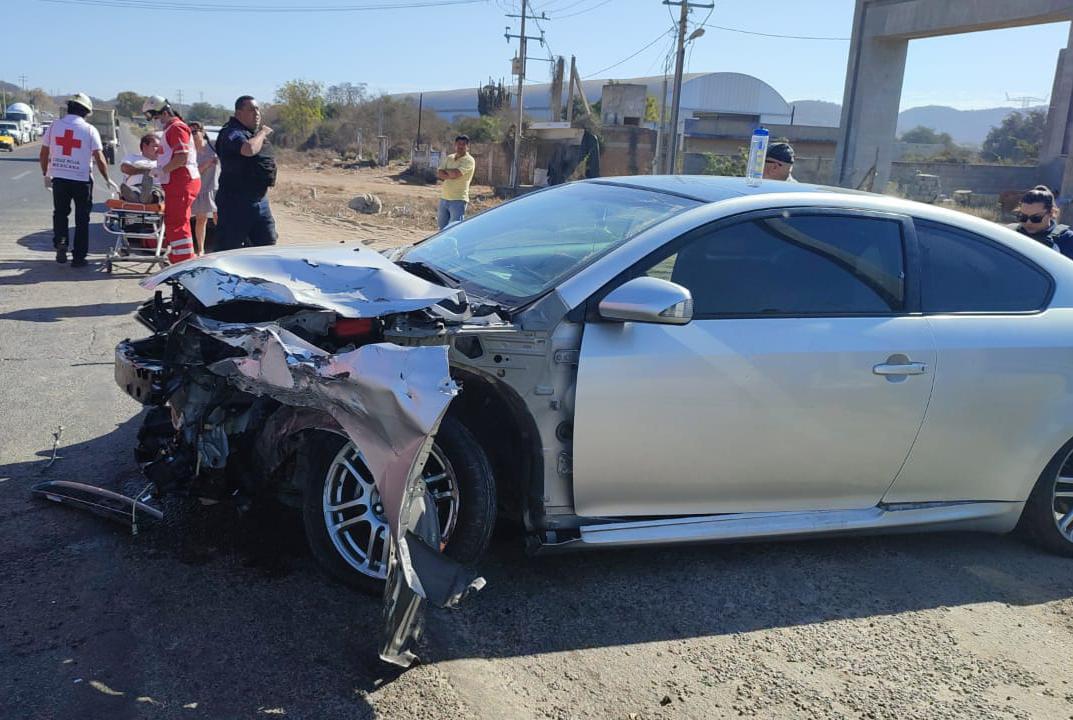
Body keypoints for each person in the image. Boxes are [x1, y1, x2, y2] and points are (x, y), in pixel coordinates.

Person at [38, 93, 120, 267]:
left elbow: (44, 153)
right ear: (86, 112)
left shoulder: (54, 126)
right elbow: (99, 157)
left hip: (59, 178)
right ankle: (79, 257)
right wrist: (107, 178)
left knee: (60, 213)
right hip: (82, 180)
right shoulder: (90, 130)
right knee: (82, 218)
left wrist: (46, 173)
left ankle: (61, 241)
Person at [142, 96, 201, 264]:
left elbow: (181, 157)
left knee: (177, 222)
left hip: (182, 181)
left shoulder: (176, 128)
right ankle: (180, 257)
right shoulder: (172, 128)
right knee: (176, 221)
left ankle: (183, 261)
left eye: (156, 116)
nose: (156, 121)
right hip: (177, 181)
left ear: (165, 112)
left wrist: (162, 170)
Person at [214, 95, 278, 251]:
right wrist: (262, 133)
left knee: (267, 244)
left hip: (259, 200)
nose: (257, 113)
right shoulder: (232, 133)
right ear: (238, 113)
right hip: (235, 202)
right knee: (229, 249)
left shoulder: (251, 134)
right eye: (251, 109)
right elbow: (248, 150)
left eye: (258, 109)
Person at [1008, 185, 1073, 257]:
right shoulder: (1010, 233)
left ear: (1051, 213)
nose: (1028, 222)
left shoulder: (1067, 239)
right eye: (1023, 217)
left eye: (1036, 218)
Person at [189, 122, 219, 256]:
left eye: (195, 132)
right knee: (201, 219)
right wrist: (207, 164)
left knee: (219, 217)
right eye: (189, 133)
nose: (193, 135)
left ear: (202, 132)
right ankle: (200, 249)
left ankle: (220, 247)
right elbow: (193, 172)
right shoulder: (190, 152)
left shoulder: (213, 146)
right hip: (200, 187)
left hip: (216, 186)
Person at [436, 134, 476, 229]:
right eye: (458, 144)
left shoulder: (469, 160)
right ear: (455, 145)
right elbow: (439, 173)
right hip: (444, 198)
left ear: (467, 146)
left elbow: (456, 174)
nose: (460, 146)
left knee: (454, 230)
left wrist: (447, 173)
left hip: (458, 200)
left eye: (463, 144)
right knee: (441, 230)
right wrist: (451, 173)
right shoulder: (449, 157)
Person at [119, 133, 163, 204]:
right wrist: (146, 171)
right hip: (135, 186)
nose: (158, 149)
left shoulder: (163, 161)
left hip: (155, 187)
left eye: (159, 146)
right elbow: (124, 168)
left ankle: (146, 197)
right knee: (134, 191)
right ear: (145, 146)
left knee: (155, 193)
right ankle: (139, 196)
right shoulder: (132, 157)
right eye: (155, 146)